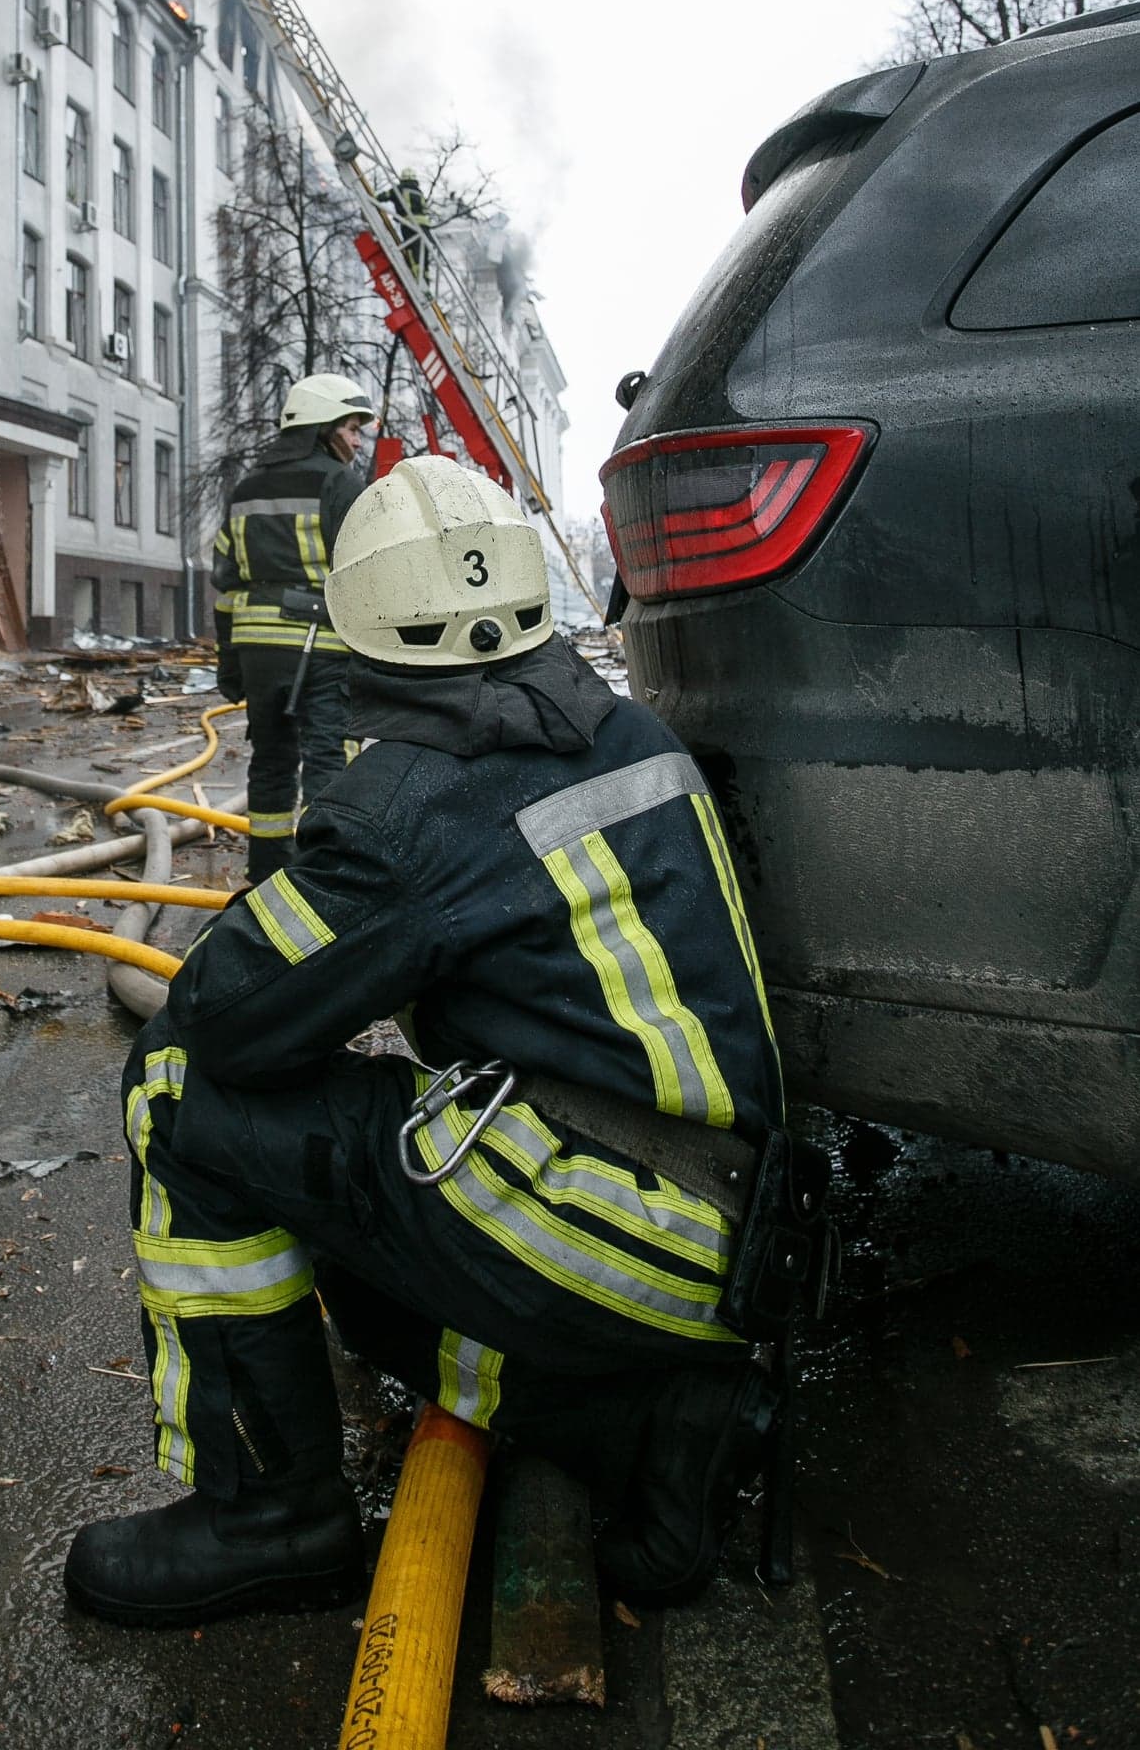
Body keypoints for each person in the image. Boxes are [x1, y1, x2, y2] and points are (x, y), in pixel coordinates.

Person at [66, 455, 789, 1628]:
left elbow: (223, 1020)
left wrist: (334, 849)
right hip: (729, 1232)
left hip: (610, 1215)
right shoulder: (622, 726)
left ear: (359, 630)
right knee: (366, 1298)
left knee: (177, 1095)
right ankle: (646, 1431)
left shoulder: (414, 800)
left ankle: (272, 1516)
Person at [210, 374, 374, 882]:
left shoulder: (245, 490)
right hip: (321, 647)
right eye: (351, 427)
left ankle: (265, 879)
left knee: (271, 763)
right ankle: (323, 881)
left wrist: (229, 663)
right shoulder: (340, 484)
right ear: (321, 428)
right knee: (331, 761)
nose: (357, 440)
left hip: (258, 652)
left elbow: (225, 582)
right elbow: (364, 572)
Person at [378, 166, 433, 275]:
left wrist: (374, 198)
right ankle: (425, 276)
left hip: (410, 224)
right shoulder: (419, 192)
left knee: (412, 250)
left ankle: (417, 275)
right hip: (425, 225)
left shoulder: (399, 189)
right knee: (423, 252)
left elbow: (384, 196)